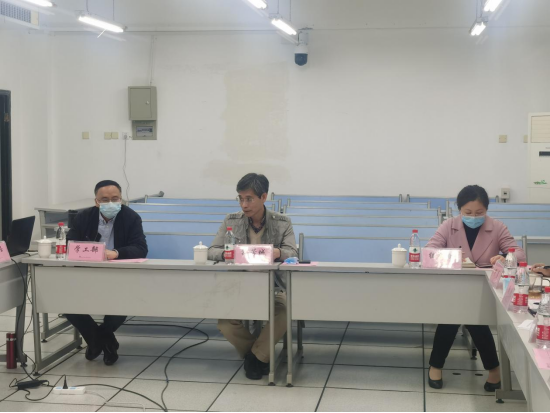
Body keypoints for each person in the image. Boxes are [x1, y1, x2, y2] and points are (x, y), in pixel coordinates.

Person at [425, 185, 526, 392]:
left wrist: (505, 257)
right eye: (468, 212)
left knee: (475, 320)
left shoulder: (497, 227)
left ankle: (488, 370)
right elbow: (429, 252)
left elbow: (519, 253)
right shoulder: (449, 225)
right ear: (459, 209)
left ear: (486, 210)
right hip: (455, 287)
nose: (473, 217)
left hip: (483, 288)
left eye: (479, 213)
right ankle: (440, 367)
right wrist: (452, 256)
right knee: (452, 318)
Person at [208, 173, 298, 380]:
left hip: (274, 286)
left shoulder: (282, 222)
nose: (244, 205)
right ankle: (258, 356)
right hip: (240, 286)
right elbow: (212, 250)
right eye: (240, 199)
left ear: (263, 197)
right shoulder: (231, 221)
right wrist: (230, 254)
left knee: (284, 311)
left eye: (249, 199)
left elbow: (292, 253)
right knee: (225, 322)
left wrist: (276, 252)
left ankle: (255, 358)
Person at [65, 180, 148, 366]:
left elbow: (141, 248)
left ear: (121, 199)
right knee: (64, 299)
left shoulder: (131, 217)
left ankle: (97, 340)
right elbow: (71, 244)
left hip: (119, 273)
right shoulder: (83, 217)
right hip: (86, 272)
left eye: (115, 199)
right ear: (96, 201)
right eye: (105, 199)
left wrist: (116, 253)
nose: (111, 203)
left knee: (121, 303)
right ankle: (102, 340)